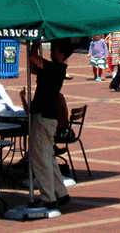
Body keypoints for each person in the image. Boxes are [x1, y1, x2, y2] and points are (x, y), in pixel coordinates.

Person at [24, 39, 73, 210]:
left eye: (54, 49)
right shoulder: (54, 68)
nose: (51, 51)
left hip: (43, 114)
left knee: (40, 157)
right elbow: (32, 68)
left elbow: (32, 56)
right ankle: (60, 192)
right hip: (47, 115)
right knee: (48, 156)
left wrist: (36, 43)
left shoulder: (55, 68)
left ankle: (48, 196)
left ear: (61, 53)